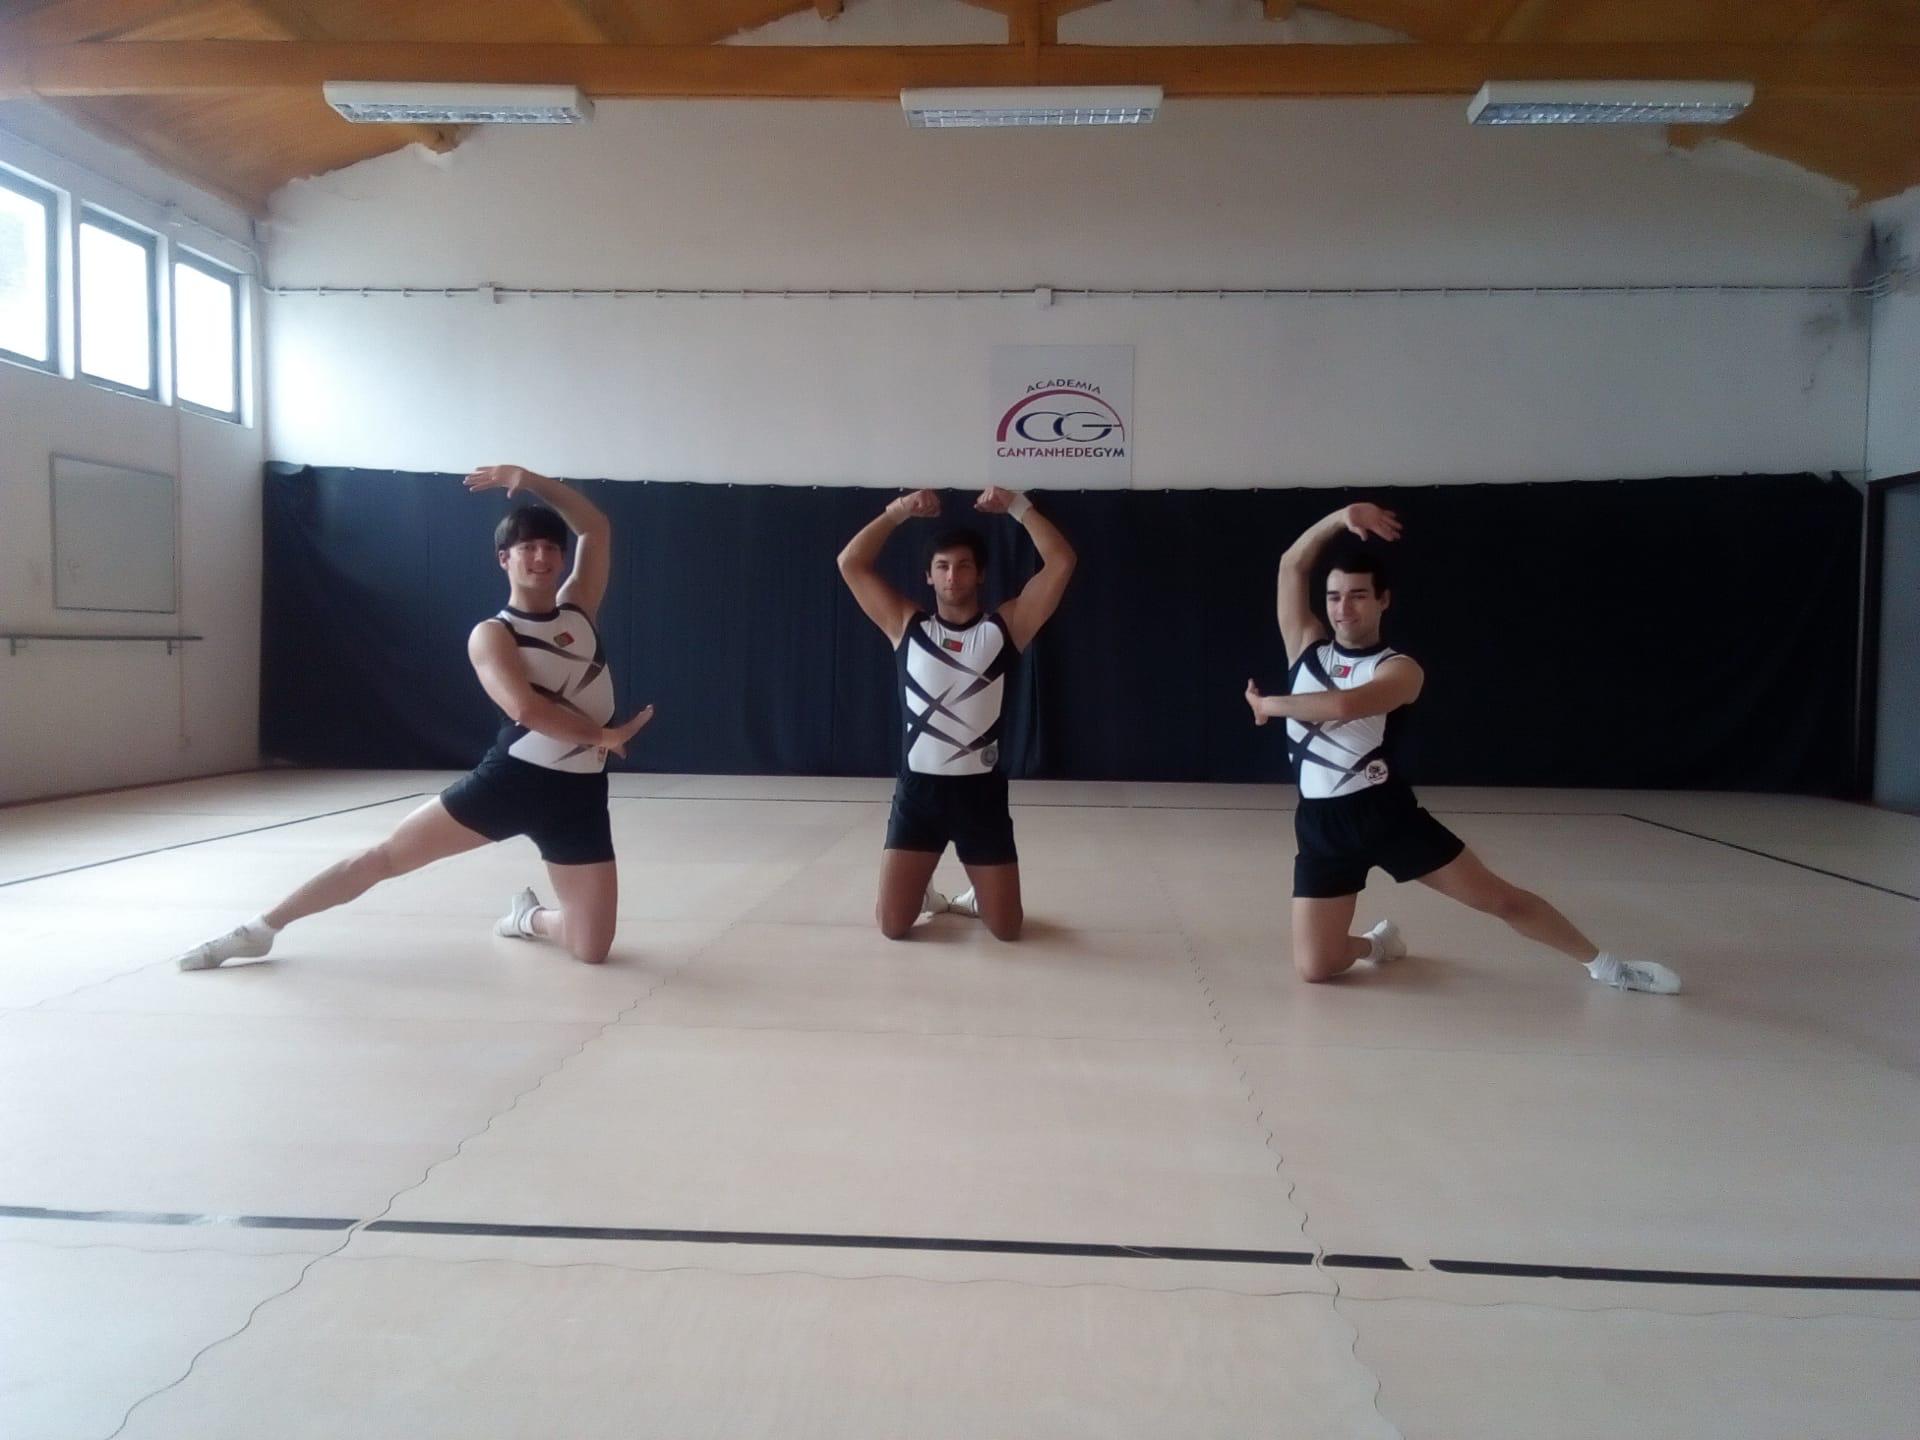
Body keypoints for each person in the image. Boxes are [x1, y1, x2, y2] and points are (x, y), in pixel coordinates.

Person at [174, 465, 654, 971]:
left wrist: (528, 478)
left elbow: (595, 528)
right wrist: (602, 735)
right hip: (513, 783)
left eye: (551, 548)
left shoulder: (578, 608)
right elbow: (525, 709)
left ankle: (527, 918)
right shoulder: (493, 634)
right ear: (504, 558)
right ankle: (260, 929)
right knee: (385, 857)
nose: (541, 557)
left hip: (580, 796)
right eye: (528, 548)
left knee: (591, 949)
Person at [1244, 502, 1680, 993]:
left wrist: (1269, 705)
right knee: (1315, 967)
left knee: (1499, 899)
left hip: (1385, 815)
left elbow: (1345, 705)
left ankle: (1609, 966)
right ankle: (1378, 945)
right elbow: (1291, 564)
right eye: (1334, 597)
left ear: (1384, 600)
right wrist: (1342, 516)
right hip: (1320, 823)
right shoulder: (1305, 645)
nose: (1343, 608)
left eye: (1358, 596)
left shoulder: (1399, 668)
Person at [836, 486, 1076, 941]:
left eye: (964, 566)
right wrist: (900, 510)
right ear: (928, 577)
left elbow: (1061, 561)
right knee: (892, 927)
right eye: (942, 567)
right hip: (918, 795)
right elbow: (851, 563)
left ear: (980, 574)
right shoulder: (906, 625)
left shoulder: (1006, 627)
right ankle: (925, 891)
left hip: (981, 797)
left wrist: (1019, 507)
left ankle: (973, 897)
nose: (953, 576)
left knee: (1007, 930)